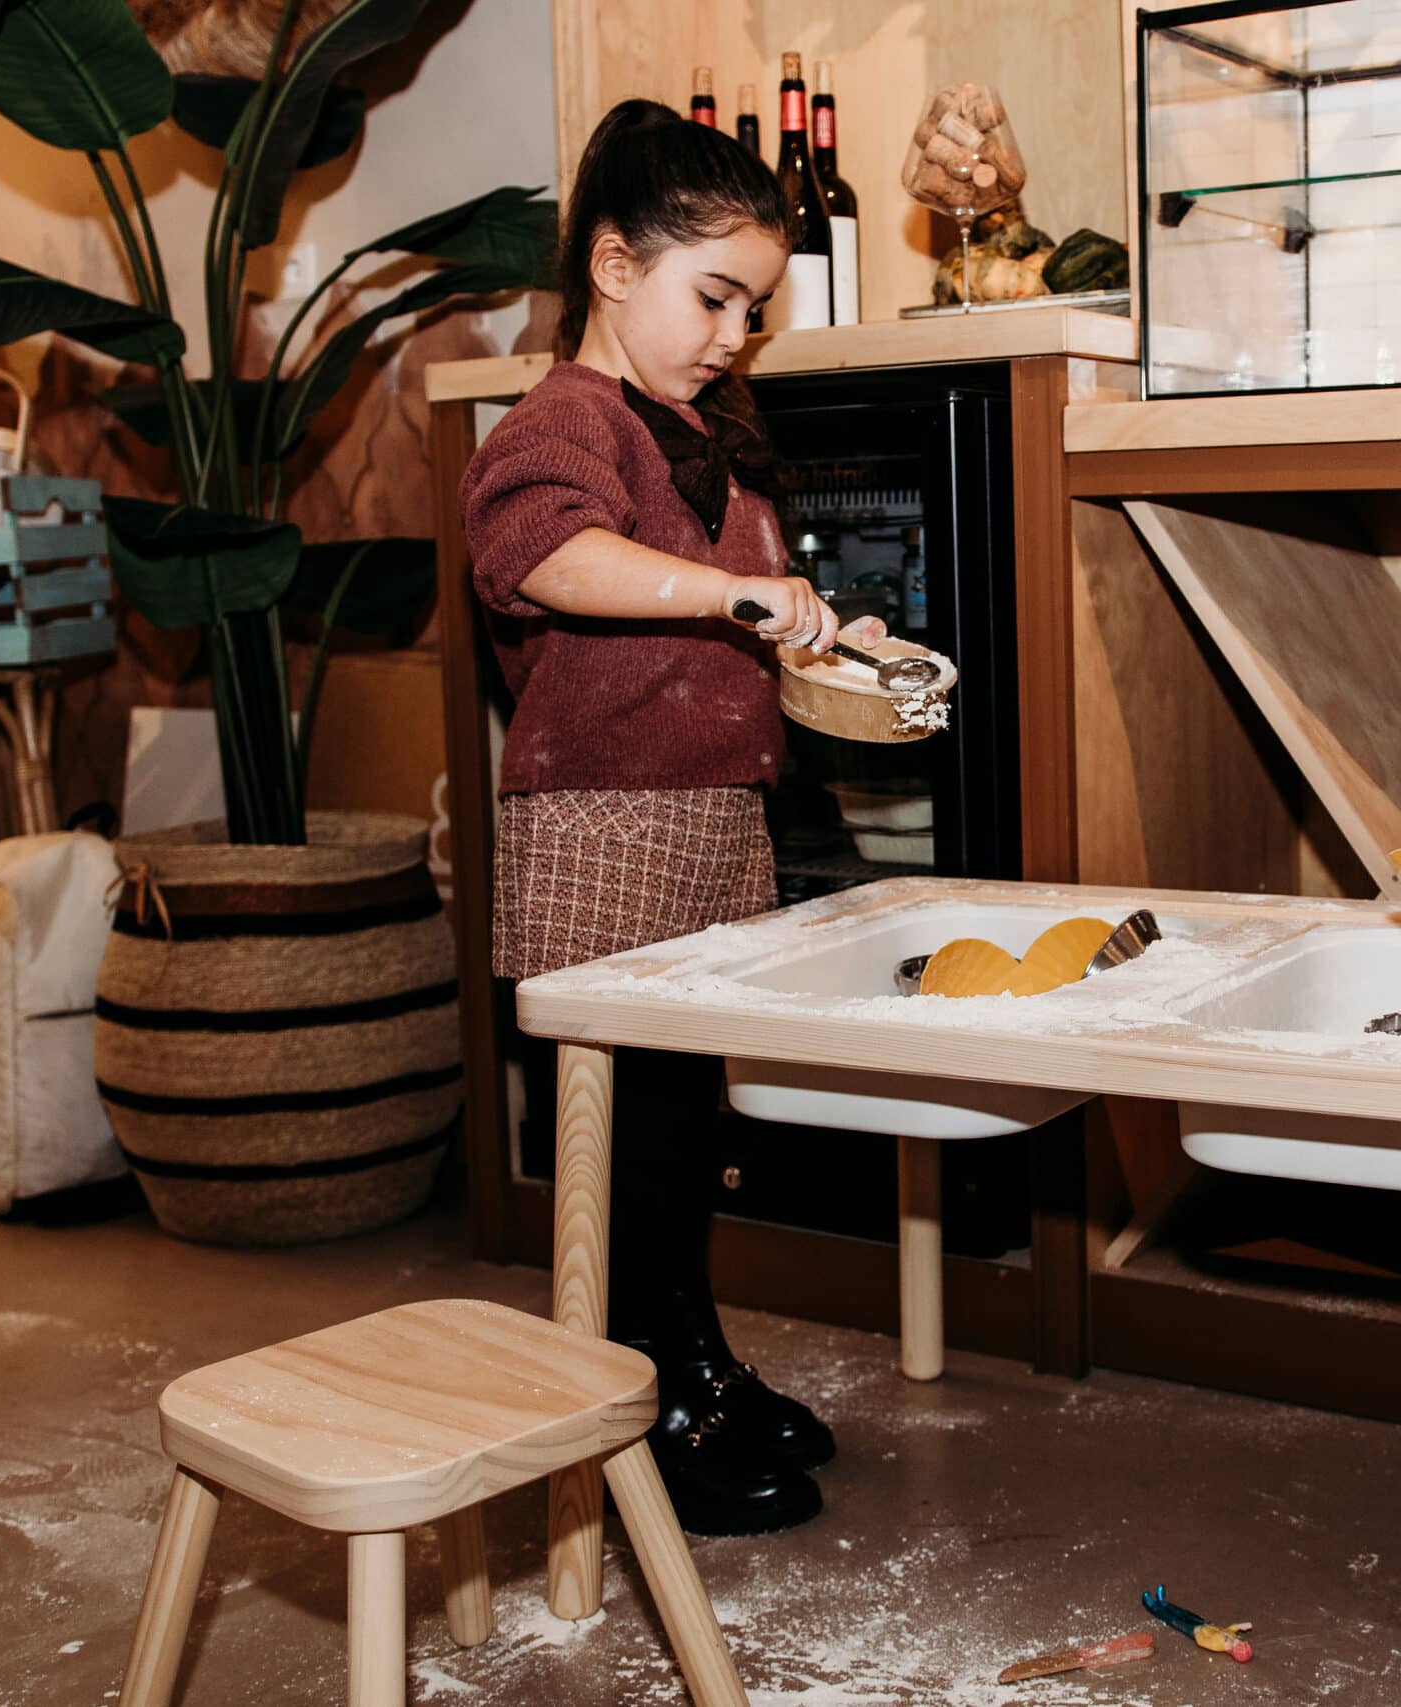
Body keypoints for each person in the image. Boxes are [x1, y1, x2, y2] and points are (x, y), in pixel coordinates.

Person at [461, 98, 878, 1536]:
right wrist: (732, 595)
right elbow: (547, 558)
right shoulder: (564, 420)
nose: (734, 334)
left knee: (685, 1129)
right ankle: (631, 1404)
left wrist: (821, 636)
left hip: (708, 825)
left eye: (754, 309)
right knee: (621, 1136)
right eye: (713, 297)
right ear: (612, 266)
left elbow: (732, 618)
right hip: (602, 831)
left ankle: (689, 1362)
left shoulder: (703, 432)